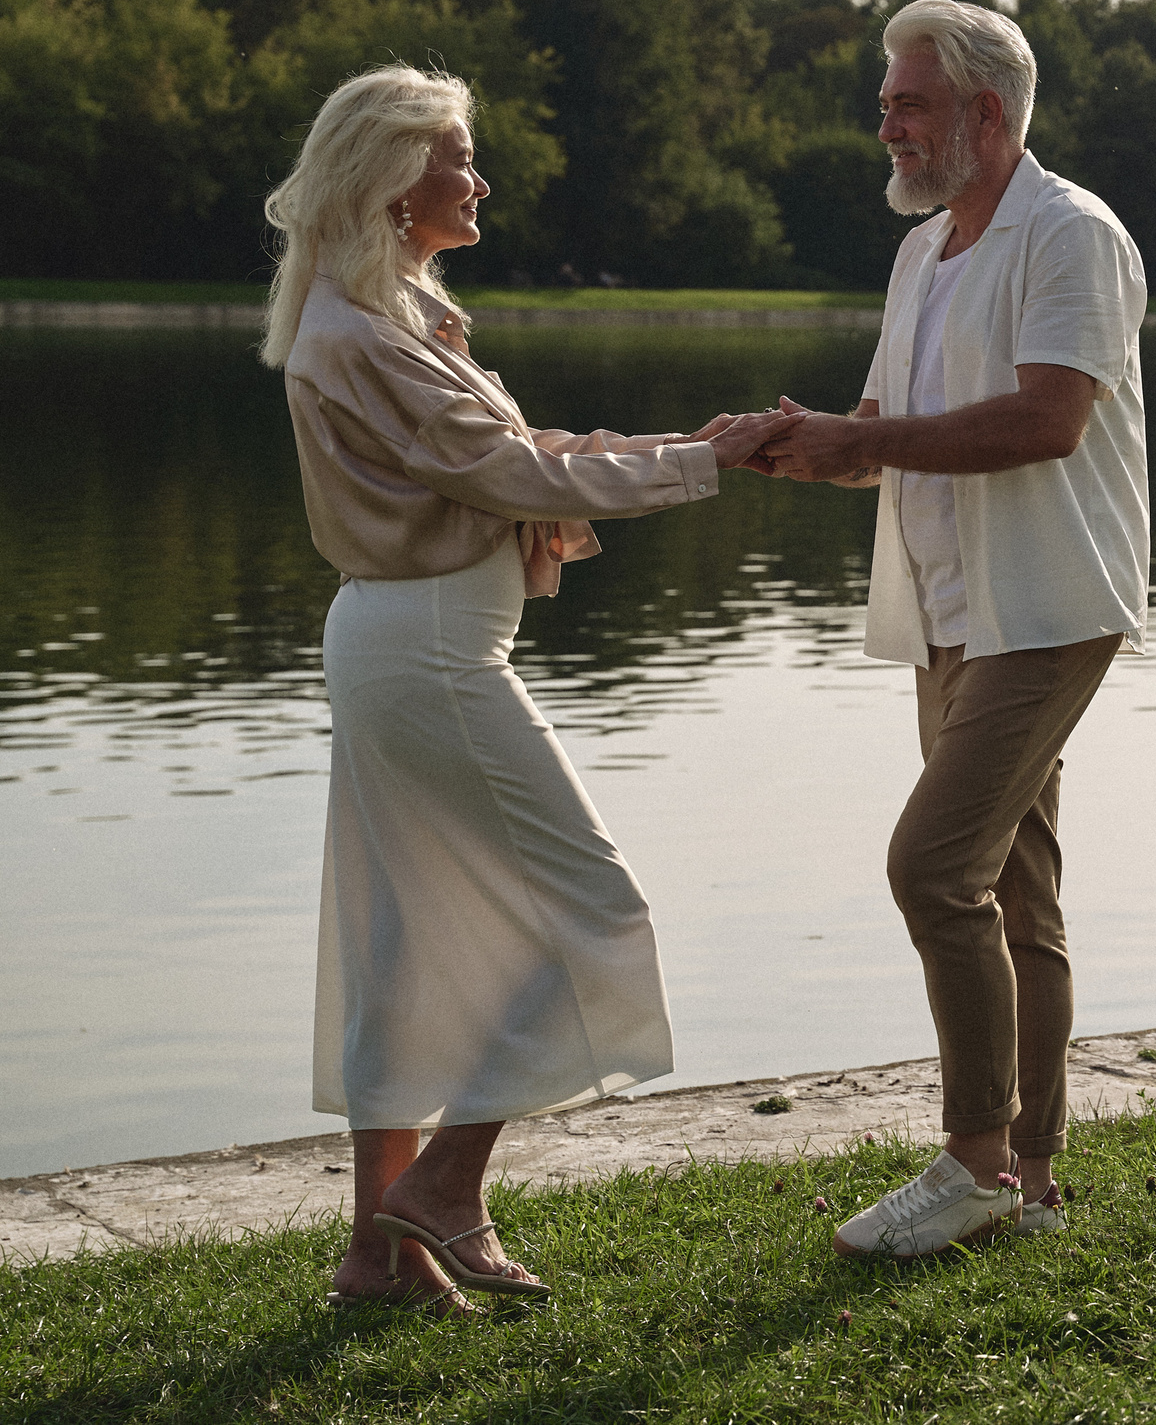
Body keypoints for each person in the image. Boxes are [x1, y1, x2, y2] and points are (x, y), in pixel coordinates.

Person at [262, 65, 791, 1312]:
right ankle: (445, 1187)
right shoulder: (364, 333)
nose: (480, 180)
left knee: (400, 945)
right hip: (432, 655)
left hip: (407, 645)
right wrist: (700, 466)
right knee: (595, 908)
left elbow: (519, 453)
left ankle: (377, 1259)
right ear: (395, 179)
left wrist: (694, 451)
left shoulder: (384, 313)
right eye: (459, 158)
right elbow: (513, 477)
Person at [763, 0, 1149, 1258]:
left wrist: (861, 438)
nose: (885, 126)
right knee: (1016, 893)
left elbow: (1047, 422)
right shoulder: (922, 251)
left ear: (985, 113)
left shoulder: (1070, 233)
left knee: (934, 869)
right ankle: (1030, 1182)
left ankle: (973, 1161)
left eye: (907, 104)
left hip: (1047, 602)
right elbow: (887, 434)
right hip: (946, 608)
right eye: (886, 104)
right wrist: (798, 444)